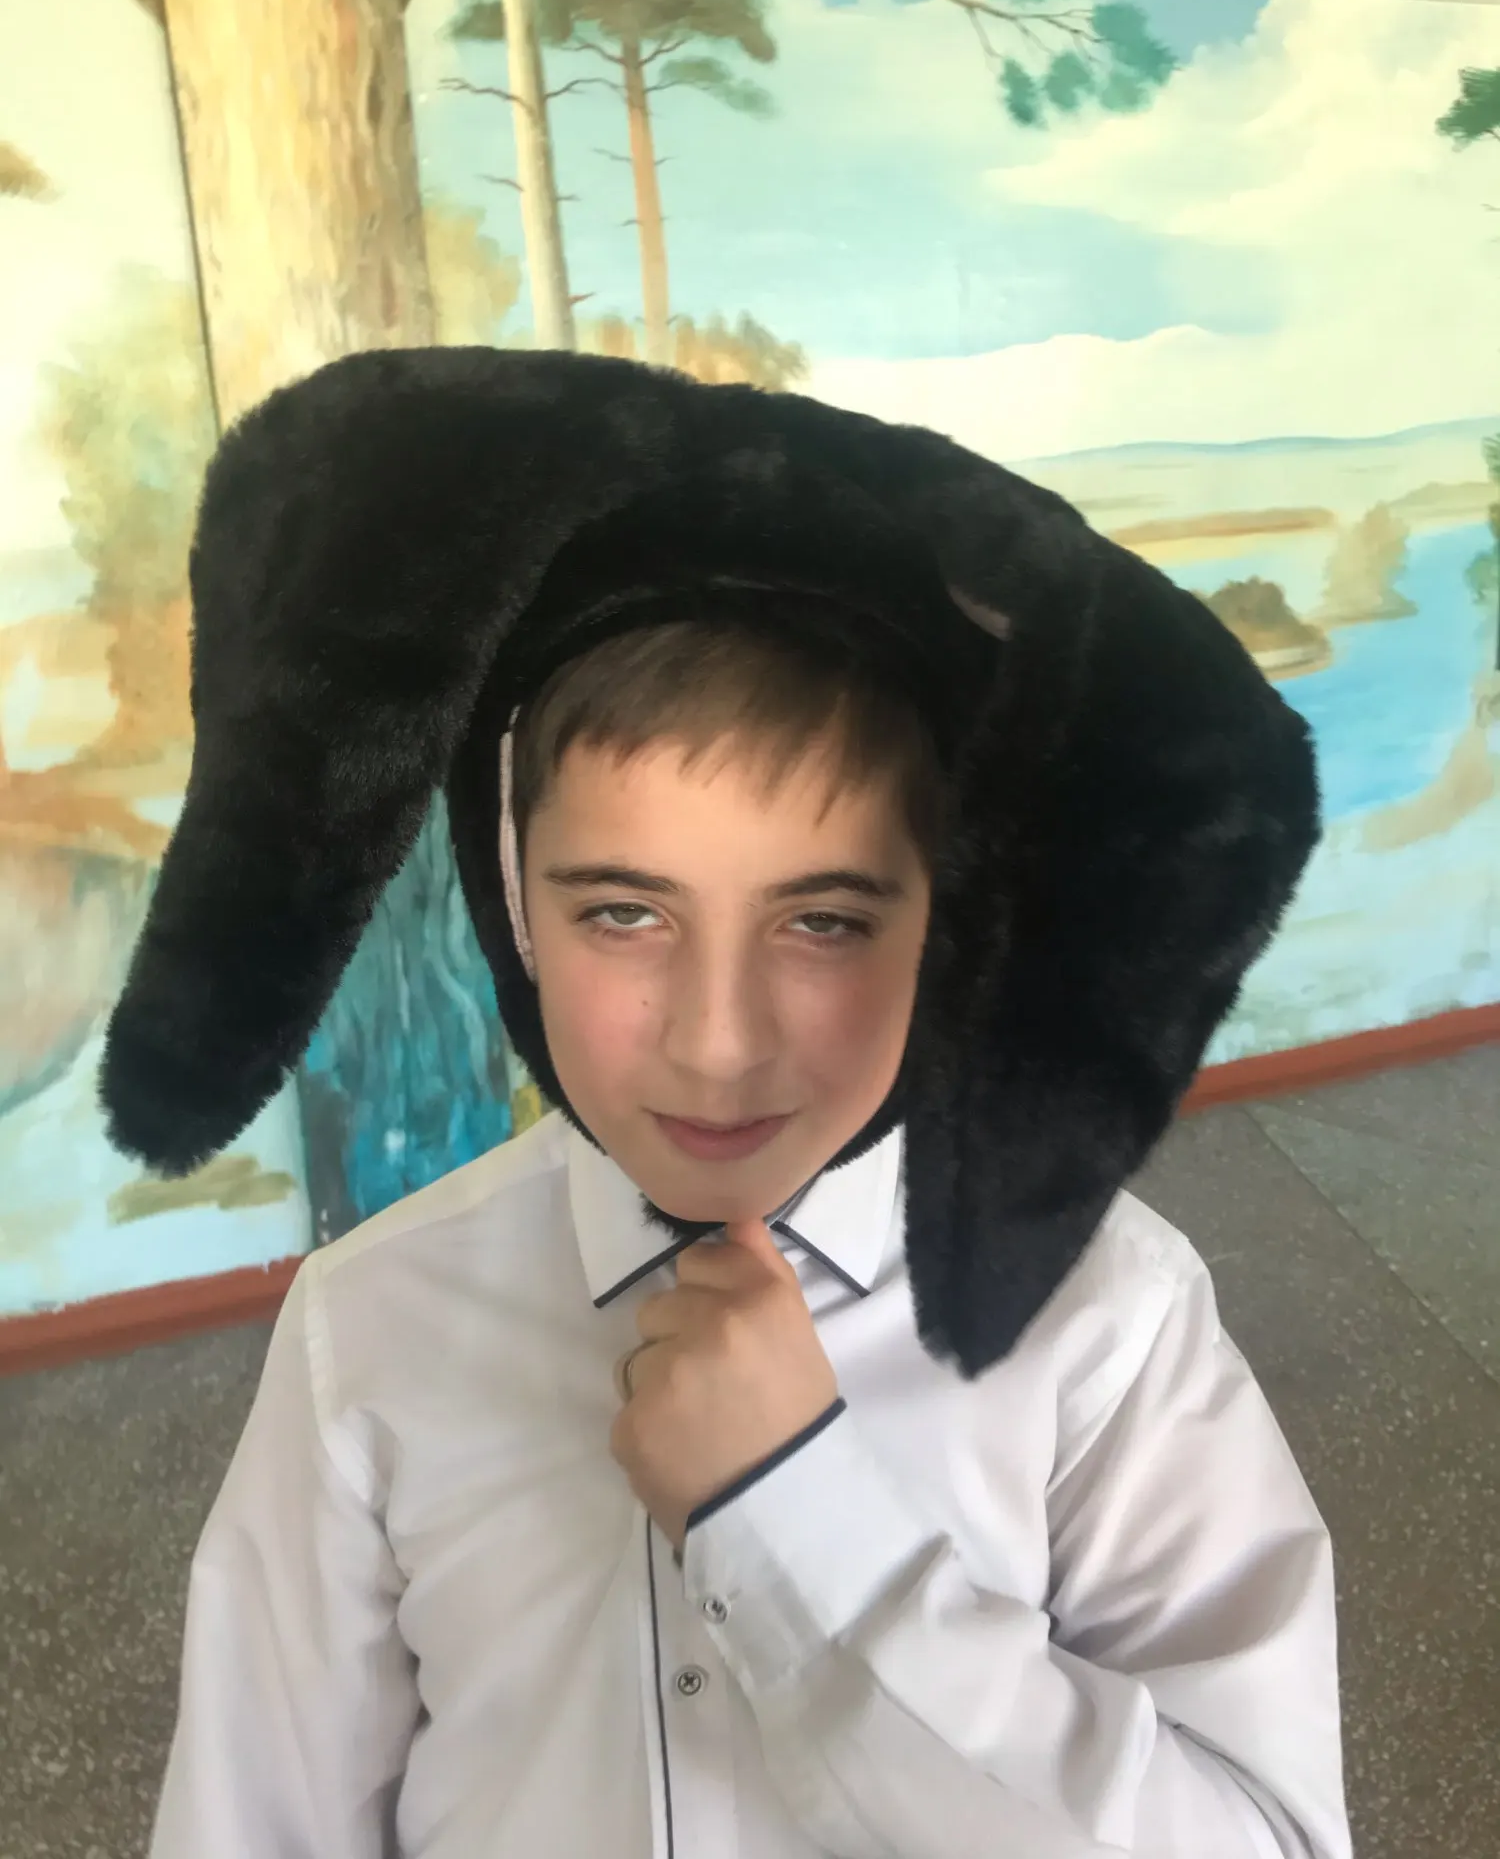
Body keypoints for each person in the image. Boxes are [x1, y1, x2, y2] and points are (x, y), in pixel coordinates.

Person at [105, 348, 1349, 1857]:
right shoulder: (369, 1331)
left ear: (952, 920)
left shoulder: (1108, 1327)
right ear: (512, 906)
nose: (716, 1043)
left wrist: (800, 1521)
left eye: (823, 920)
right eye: (623, 913)